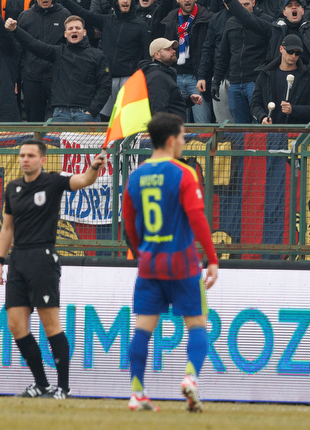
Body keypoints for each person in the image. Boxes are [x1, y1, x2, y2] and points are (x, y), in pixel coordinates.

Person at [122, 112, 220, 413]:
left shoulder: (136, 176)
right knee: (198, 324)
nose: (184, 141)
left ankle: (137, 393)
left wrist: (142, 253)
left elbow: (128, 223)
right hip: (183, 263)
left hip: (150, 263)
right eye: (182, 137)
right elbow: (197, 218)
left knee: (142, 328)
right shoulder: (183, 173)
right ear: (170, 140)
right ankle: (190, 378)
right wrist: (212, 258)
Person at [0, 138, 105, 399]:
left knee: (50, 324)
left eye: (31, 155)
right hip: (17, 260)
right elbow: (7, 228)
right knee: (16, 325)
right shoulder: (13, 188)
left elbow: (84, 181)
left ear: (42, 159)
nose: (25, 159)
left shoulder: (53, 182)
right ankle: (41, 384)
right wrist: (0, 261)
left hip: (43, 258)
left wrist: (94, 168)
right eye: (22, 155)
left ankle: (63, 388)